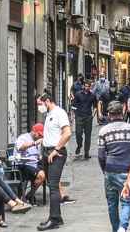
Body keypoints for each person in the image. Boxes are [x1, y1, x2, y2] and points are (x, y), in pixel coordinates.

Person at [98, 101, 130, 232]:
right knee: (126, 202)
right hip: (127, 172)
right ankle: (123, 227)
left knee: (112, 204)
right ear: (122, 113)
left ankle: (116, 229)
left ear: (109, 115)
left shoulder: (103, 131)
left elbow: (101, 155)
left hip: (110, 170)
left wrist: (105, 169)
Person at [14, 123, 76, 205]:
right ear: (34, 131)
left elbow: (38, 156)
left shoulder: (39, 142)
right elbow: (20, 146)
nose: (40, 137)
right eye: (39, 134)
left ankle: (61, 196)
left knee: (53, 170)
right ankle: (30, 195)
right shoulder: (24, 138)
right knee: (42, 175)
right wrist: (34, 143)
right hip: (24, 165)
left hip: (35, 163)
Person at [36, 90, 72, 231]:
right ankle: (58, 216)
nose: (39, 107)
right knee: (52, 184)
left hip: (55, 153)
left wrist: (56, 149)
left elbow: (67, 133)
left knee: (53, 186)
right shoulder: (49, 115)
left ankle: (53, 220)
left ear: (47, 101)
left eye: (40, 104)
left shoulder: (59, 113)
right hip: (47, 151)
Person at [70, 81, 97, 159]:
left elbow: (95, 106)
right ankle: (79, 145)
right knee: (78, 132)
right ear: (83, 86)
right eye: (86, 86)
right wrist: (71, 115)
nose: (87, 88)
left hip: (88, 116)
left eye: (88, 86)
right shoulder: (78, 94)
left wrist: (93, 115)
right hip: (79, 115)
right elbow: (74, 105)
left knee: (88, 135)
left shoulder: (92, 95)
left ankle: (86, 152)